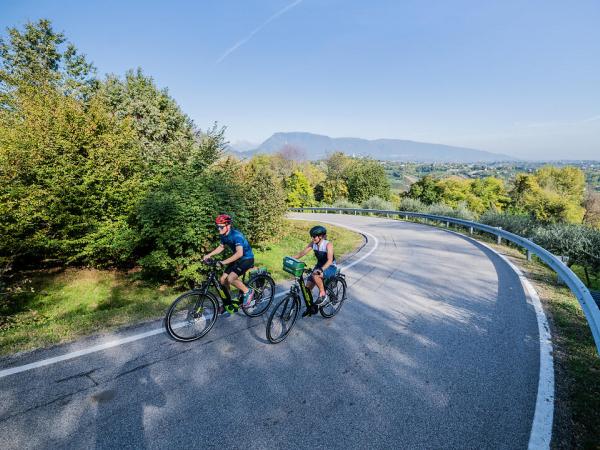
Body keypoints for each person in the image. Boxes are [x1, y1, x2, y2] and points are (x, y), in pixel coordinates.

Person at [203, 214, 254, 314]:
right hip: (237, 259)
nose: (219, 229)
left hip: (247, 259)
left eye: (221, 227)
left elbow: (240, 253)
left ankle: (248, 292)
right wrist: (209, 255)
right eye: (217, 226)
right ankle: (227, 303)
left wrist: (223, 262)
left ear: (228, 226)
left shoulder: (236, 236)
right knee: (222, 280)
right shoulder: (223, 234)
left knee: (231, 278)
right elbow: (221, 247)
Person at [293, 225, 337, 316]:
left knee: (315, 275)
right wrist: (290, 258)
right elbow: (303, 253)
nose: (312, 238)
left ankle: (323, 294)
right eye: (311, 237)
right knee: (307, 288)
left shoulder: (328, 244)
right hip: (319, 266)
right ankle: (311, 308)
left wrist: (321, 270)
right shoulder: (313, 243)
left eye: (314, 236)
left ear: (320, 236)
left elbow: (329, 260)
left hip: (330, 267)